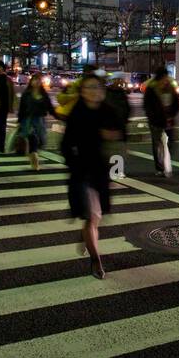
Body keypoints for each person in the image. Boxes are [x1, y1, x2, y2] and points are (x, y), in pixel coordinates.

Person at [61, 75, 123, 279]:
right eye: (89, 87)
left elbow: (120, 136)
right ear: (82, 91)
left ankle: (87, 233)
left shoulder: (108, 112)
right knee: (94, 214)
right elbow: (65, 145)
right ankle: (95, 260)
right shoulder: (77, 114)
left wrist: (112, 138)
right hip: (82, 172)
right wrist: (74, 161)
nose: (94, 90)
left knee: (96, 216)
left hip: (101, 171)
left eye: (97, 87)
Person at [142, 67, 179, 177]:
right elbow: (147, 106)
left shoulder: (170, 87)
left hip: (169, 120)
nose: (166, 78)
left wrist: (171, 115)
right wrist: (153, 117)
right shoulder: (151, 88)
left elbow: (176, 103)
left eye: (166, 76)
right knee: (156, 144)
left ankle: (165, 158)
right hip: (156, 121)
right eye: (164, 76)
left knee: (173, 140)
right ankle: (159, 168)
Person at [16, 73, 53, 170]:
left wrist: (59, 116)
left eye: (39, 80)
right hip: (28, 121)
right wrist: (19, 121)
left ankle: (33, 155)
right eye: (35, 80)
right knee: (33, 140)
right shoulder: (26, 94)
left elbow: (50, 108)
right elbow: (22, 108)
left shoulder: (44, 94)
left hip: (40, 121)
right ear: (31, 81)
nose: (37, 82)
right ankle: (35, 162)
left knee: (41, 141)